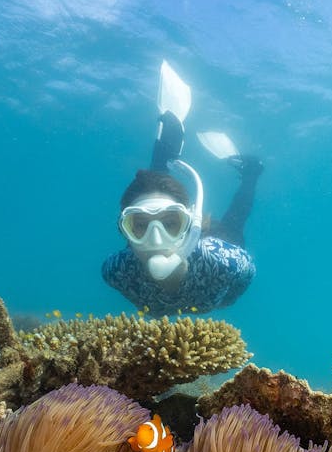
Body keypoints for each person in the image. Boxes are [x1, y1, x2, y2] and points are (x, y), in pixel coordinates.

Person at [102, 63, 262, 317]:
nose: (156, 240)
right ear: (125, 232)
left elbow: (244, 280)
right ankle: (169, 142)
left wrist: (223, 301)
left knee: (234, 223)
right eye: (140, 225)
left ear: (190, 222)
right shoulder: (116, 271)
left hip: (215, 238)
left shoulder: (225, 262)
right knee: (155, 192)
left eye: (170, 222)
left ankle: (250, 174)